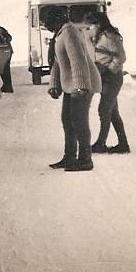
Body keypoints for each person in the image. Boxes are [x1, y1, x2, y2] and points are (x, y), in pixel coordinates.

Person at [44, 9, 100, 172]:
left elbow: (78, 60)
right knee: (67, 120)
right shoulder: (61, 33)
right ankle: (70, 157)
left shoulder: (69, 33)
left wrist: (81, 86)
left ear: (57, 20)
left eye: (48, 22)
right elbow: (57, 62)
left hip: (83, 82)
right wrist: (54, 84)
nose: (46, 26)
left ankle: (85, 159)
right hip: (72, 83)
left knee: (78, 120)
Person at [84, 10, 130, 154]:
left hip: (112, 77)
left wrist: (110, 70)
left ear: (98, 23)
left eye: (91, 25)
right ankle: (123, 144)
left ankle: (101, 143)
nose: (90, 28)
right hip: (105, 77)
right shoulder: (100, 36)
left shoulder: (109, 36)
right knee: (112, 111)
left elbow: (121, 57)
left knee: (104, 110)